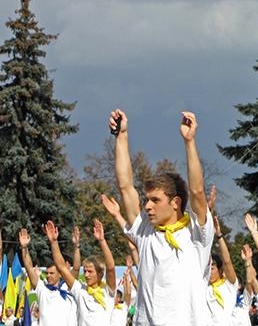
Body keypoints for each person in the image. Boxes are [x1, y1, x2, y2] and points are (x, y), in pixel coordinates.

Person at [110, 109, 214, 325]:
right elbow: (125, 186)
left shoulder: (197, 232)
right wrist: (121, 136)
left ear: (175, 202)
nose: (147, 206)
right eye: (147, 200)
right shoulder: (145, 230)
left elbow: (196, 191)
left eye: (155, 200)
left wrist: (189, 141)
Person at [45, 219, 117, 326]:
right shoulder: (80, 290)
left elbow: (111, 268)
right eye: (85, 271)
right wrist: (54, 242)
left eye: (90, 271)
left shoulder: (107, 291)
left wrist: (102, 240)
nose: (86, 275)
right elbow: (62, 268)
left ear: (100, 273)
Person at [19, 227, 77, 326]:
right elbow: (29, 267)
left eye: (52, 273)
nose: (48, 276)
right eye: (47, 273)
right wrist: (24, 247)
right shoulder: (42, 289)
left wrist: (76, 246)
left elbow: (76, 267)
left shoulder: (68, 288)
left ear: (60, 274)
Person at [206, 213, 239, 325]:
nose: (209, 272)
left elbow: (227, 262)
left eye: (212, 268)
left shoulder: (229, 285)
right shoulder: (204, 288)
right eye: (207, 269)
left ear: (220, 270)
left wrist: (219, 236)